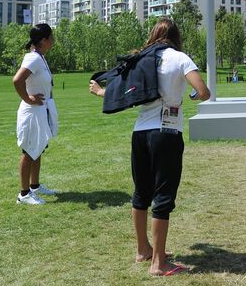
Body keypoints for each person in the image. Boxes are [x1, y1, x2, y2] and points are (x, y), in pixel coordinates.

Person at [89, 18, 210, 277]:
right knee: (163, 196)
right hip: (166, 134)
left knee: (141, 192)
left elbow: (124, 92)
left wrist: (100, 92)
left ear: (153, 34)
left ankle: (143, 249)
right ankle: (158, 263)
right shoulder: (179, 58)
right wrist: (191, 95)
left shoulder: (142, 58)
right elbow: (203, 91)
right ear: (176, 36)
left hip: (140, 133)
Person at [13, 23, 58, 205]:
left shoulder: (40, 57)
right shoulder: (34, 58)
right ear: (44, 40)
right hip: (32, 112)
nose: (53, 41)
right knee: (29, 151)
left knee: (37, 149)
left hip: (40, 110)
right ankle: (23, 195)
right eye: (52, 38)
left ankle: (35, 187)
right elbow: (17, 80)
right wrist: (29, 99)